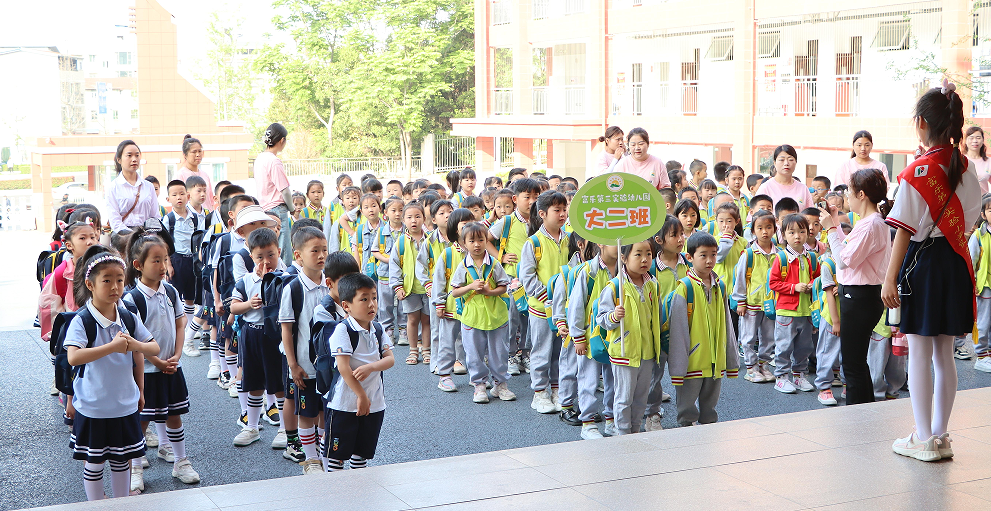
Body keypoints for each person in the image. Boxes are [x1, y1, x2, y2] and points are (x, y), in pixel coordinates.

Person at [883, 81, 981, 462]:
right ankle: (940, 436)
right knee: (944, 354)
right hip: (955, 263)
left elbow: (904, 232)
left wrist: (889, 278)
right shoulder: (967, 169)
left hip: (922, 267)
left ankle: (922, 438)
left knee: (919, 353)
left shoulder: (918, 171)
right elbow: (969, 222)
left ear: (922, 123)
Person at [65, 246, 161, 500]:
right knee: (94, 464)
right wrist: (112, 347)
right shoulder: (83, 320)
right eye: (106, 280)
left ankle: (121, 504)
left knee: (121, 461)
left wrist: (135, 347)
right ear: (90, 284)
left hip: (124, 405)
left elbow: (153, 348)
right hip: (93, 407)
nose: (115, 287)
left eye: (119, 280)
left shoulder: (128, 317)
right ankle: (97, 505)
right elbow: (73, 357)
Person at [123, 229, 200, 491]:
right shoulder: (132, 299)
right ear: (138, 265)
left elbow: (180, 323)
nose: (163, 266)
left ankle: (181, 462)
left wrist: (177, 355)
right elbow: (133, 340)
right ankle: (135, 467)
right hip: (146, 371)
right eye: (156, 260)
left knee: (174, 415)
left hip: (171, 366)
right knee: (142, 420)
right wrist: (156, 361)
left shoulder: (170, 291)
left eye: (165, 259)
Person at [820, 168, 893, 405]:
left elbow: (843, 260)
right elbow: (848, 251)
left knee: (852, 364)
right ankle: (864, 412)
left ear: (861, 194)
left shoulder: (870, 224)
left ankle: (857, 415)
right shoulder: (871, 222)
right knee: (856, 363)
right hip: (862, 295)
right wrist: (835, 223)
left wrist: (830, 229)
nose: (847, 198)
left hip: (859, 297)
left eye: (849, 193)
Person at [667, 232, 739, 426]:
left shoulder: (720, 286)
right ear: (689, 257)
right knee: (687, 407)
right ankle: (687, 432)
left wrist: (730, 359)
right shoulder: (685, 288)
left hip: (715, 359)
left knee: (710, 407)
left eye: (713, 254)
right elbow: (678, 332)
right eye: (703, 255)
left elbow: (727, 323)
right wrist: (678, 367)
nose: (709, 260)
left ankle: (709, 432)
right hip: (692, 361)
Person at [324, 273, 395, 471]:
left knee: (361, 453)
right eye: (364, 299)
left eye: (374, 297)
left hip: (374, 401)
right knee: (337, 455)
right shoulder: (343, 330)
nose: (371, 304)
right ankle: (334, 487)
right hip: (345, 403)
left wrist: (371, 367)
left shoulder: (378, 329)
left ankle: (359, 486)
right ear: (346, 306)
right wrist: (361, 396)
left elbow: (390, 359)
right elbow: (343, 368)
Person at [279, 227, 330, 474]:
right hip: (304, 367)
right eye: (315, 251)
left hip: (328, 366)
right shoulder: (293, 288)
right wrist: (293, 365)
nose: (321, 256)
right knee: (306, 413)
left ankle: (323, 455)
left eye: (324, 250)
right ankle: (310, 460)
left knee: (324, 412)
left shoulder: (331, 284)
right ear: (298, 255)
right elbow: (286, 329)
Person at [596, 240, 659, 435]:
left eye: (648, 254)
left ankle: (635, 431)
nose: (644, 259)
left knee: (641, 398)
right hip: (624, 352)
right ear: (623, 258)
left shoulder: (652, 284)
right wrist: (614, 316)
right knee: (624, 398)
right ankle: (623, 435)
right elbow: (601, 318)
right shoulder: (615, 286)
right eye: (638, 254)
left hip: (647, 352)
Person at [229, 228, 285, 447]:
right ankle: (251, 427)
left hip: (276, 335)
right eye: (260, 256)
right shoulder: (245, 280)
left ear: (279, 251)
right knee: (253, 383)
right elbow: (234, 307)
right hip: (251, 334)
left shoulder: (285, 277)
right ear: (251, 256)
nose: (266, 261)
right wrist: (248, 304)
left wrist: (267, 281)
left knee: (279, 383)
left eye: (271, 255)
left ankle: (284, 429)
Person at [451, 222, 516, 403]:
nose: (477, 244)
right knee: (474, 353)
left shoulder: (494, 264)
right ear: (464, 243)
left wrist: (489, 291)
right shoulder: (463, 266)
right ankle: (479, 385)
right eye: (472, 241)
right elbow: (455, 292)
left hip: (496, 315)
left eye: (481, 240)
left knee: (499, 352)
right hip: (473, 317)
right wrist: (470, 286)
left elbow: (504, 287)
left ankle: (500, 385)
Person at [519, 191, 571, 414]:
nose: (562, 214)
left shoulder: (570, 239)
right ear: (542, 214)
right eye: (556, 210)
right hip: (542, 308)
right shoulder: (533, 242)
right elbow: (527, 275)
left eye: (564, 209)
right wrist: (546, 296)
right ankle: (540, 392)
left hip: (564, 309)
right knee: (541, 351)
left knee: (560, 351)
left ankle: (557, 389)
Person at [487, 179, 541, 375]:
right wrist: (500, 257)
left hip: (534, 278)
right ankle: (510, 354)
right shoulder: (507, 221)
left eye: (536, 197)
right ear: (515, 199)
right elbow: (486, 240)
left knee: (530, 317)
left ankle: (525, 354)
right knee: (512, 317)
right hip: (512, 278)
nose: (532, 201)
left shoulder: (540, 220)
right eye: (527, 197)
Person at [768, 214, 820, 394]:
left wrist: (812, 284)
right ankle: (781, 377)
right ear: (783, 235)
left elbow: (818, 278)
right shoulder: (781, 258)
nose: (797, 236)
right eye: (792, 232)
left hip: (806, 311)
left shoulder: (812, 258)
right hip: (786, 311)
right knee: (784, 346)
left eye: (801, 231)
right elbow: (773, 283)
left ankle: (799, 375)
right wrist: (794, 287)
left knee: (804, 347)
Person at [733, 210, 778, 383]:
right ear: (753, 231)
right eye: (760, 228)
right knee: (748, 337)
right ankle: (751, 367)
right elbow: (740, 279)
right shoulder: (748, 254)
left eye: (768, 227)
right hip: (751, 303)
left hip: (771, 304)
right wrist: (741, 301)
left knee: (769, 337)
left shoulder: (779, 254)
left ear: (774, 229)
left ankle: (763, 365)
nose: (764, 231)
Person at [433, 209, 474, 392]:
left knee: (474, 344)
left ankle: (476, 376)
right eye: (464, 223)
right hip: (451, 306)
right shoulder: (448, 254)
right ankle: (444, 375)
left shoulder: (478, 252)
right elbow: (439, 281)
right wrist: (440, 303)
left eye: (472, 222)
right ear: (455, 228)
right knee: (448, 342)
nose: (469, 226)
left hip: (474, 307)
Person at [389, 202, 430, 365]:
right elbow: (394, 265)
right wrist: (397, 286)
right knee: (412, 320)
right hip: (409, 289)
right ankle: (413, 350)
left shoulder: (430, 240)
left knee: (427, 321)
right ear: (403, 220)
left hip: (428, 288)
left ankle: (426, 350)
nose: (414, 220)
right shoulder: (400, 242)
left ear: (424, 219)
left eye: (418, 216)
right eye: (409, 217)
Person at [255, 123, 294, 264]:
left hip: (264, 210)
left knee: (270, 251)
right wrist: (292, 208)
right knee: (283, 252)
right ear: (282, 140)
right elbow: (285, 190)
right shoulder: (274, 161)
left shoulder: (259, 158)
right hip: (277, 210)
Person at [106, 140, 160, 233]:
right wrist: (133, 235)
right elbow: (115, 221)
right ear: (119, 160)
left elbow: (155, 216)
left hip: (147, 236)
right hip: (123, 236)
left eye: (137, 155)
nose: (134, 159)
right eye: (129, 155)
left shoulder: (148, 186)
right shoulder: (113, 187)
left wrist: (149, 235)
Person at [969, 194, 991, 373]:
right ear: (983, 214)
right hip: (985, 286)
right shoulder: (978, 235)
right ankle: (982, 356)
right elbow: (971, 261)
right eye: (990, 210)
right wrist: (973, 283)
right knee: (983, 322)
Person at [756, 145, 814, 210]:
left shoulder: (803, 189)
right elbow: (756, 214)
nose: (786, 163)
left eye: (790, 160)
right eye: (781, 160)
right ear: (775, 163)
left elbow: (810, 213)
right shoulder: (766, 188)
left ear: (796, 162)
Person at [175, 135, 215, 211]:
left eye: (199, 151)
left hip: (207, 215)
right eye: (194, 152)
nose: (198, 154)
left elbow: (210, 200)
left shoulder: (205, 175)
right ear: (185, 155)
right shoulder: (180, 175)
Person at [963, 126, 991, 193]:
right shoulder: (960, 160)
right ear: (966, 141)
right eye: (971, 138)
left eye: (978, 138)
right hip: (965, 198)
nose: (975, 141)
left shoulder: (989, 162)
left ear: (983, 140)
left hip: (983, 198)